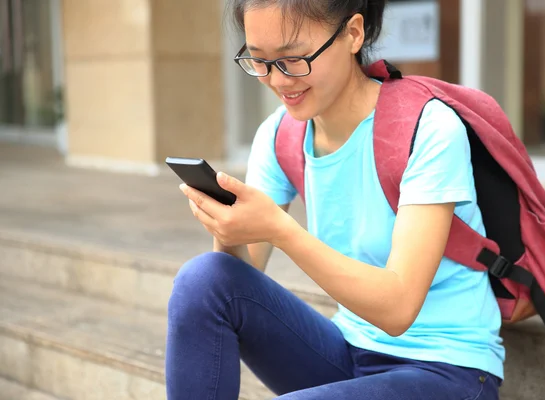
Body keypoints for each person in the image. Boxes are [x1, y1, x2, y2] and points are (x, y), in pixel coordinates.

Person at [165, 0, 505, 398]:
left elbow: (398, 309)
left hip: (446, 370)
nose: (278, 80)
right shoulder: (279, 135)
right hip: (348, 352)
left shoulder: (428, 129)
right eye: (259, 61)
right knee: (204, 278)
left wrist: (282, 230)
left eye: (293, 58)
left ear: (353, 33)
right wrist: (228, 227)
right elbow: (238, 278)